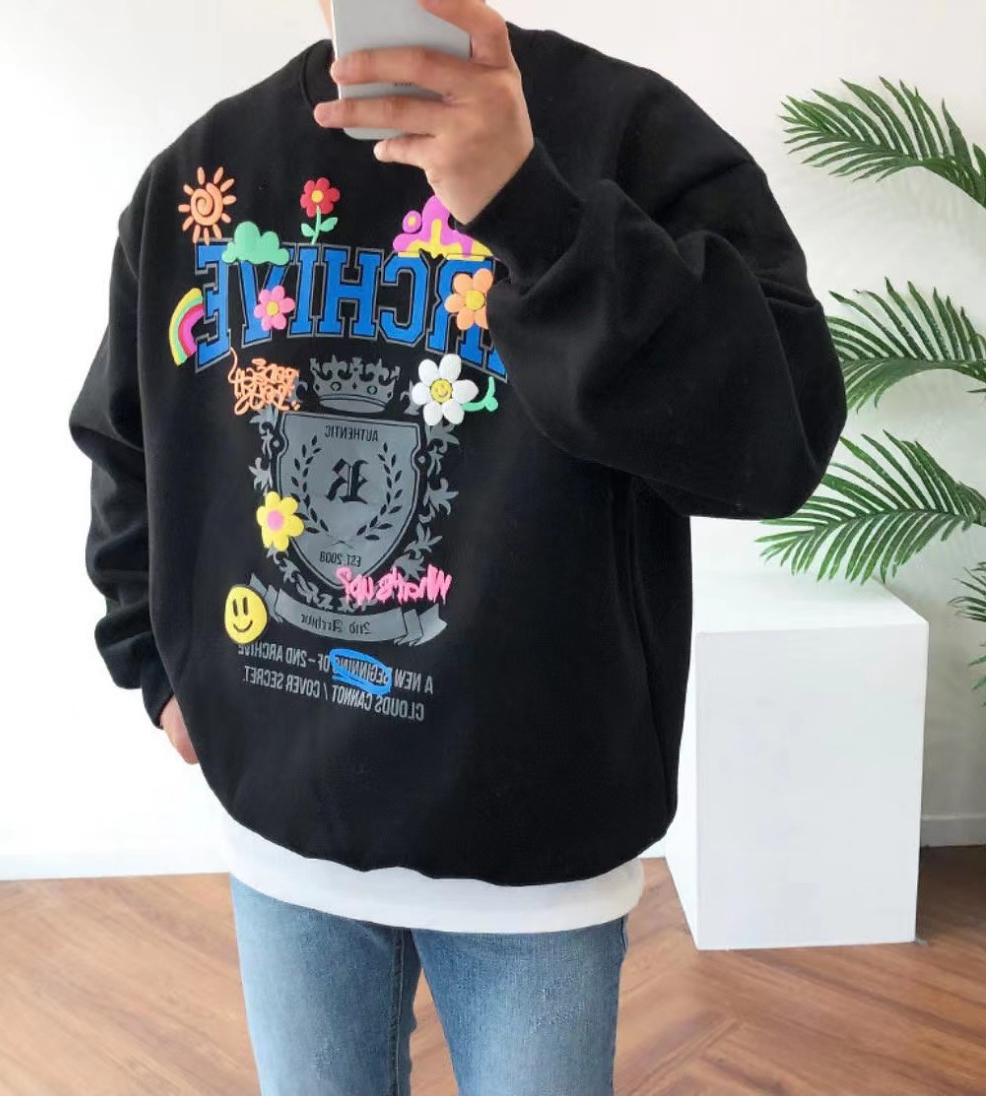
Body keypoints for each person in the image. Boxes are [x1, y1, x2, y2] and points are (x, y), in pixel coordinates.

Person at [68, 0, 848, 1091]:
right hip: (284, 830)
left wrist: (532, 209)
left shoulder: (629, 137)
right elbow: (127, 436)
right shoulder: (203, 173)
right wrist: (153, 663)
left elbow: (777, 438)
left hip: (536, 848)